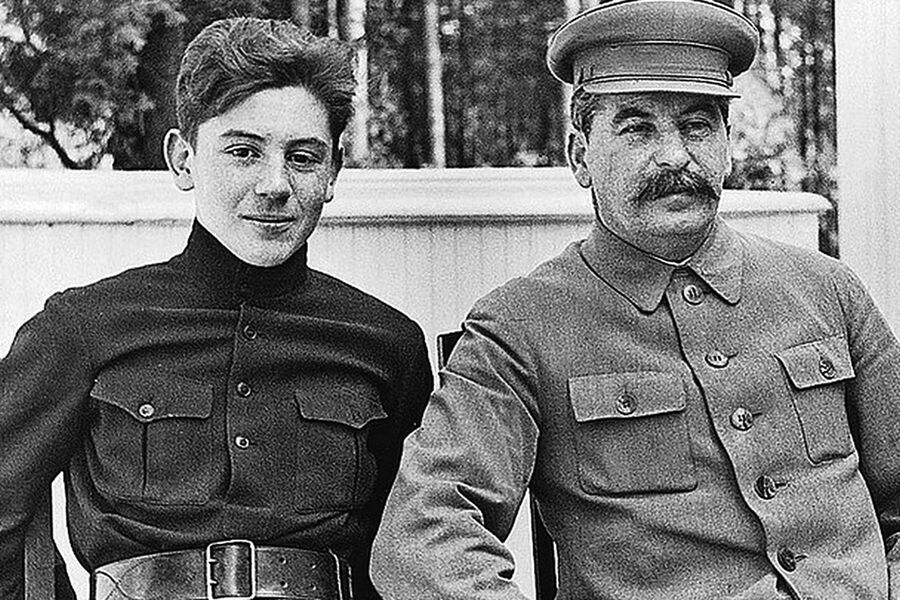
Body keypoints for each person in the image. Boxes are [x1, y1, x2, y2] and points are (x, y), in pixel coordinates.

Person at [370, 1, 900, 599]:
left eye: (697, 126)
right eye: (638, 128)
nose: (675, 156)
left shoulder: (826, 290)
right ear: (580, 157)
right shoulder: (521, 328)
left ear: (727, 145)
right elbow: (424, 538)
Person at [0, 17, 433, 600]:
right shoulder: (84, 328)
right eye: (243, 152)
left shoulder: (386, 345)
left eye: (303, 158)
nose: (275, 185)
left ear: (332, 173)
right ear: (183, 160)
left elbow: (409, 549)